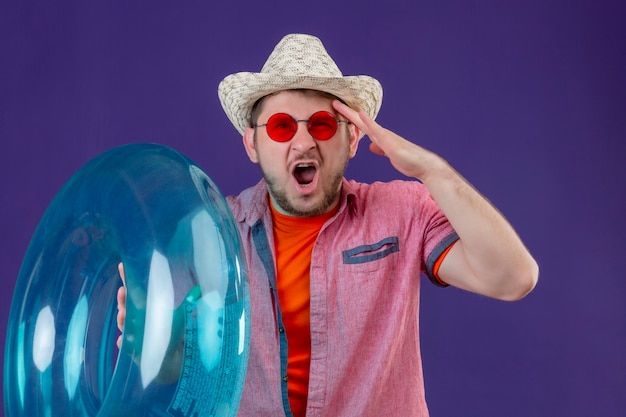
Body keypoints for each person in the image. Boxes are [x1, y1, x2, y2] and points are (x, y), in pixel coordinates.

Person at [117, 33, 538, 416]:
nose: (304, 142)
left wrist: (433, 170)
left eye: (322, 124)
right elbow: (193, 371)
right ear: (253, 144)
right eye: (281, 127)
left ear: (351, 138)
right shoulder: (212, 234)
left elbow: (513, 277)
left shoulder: (403, 211)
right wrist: (156, 351)